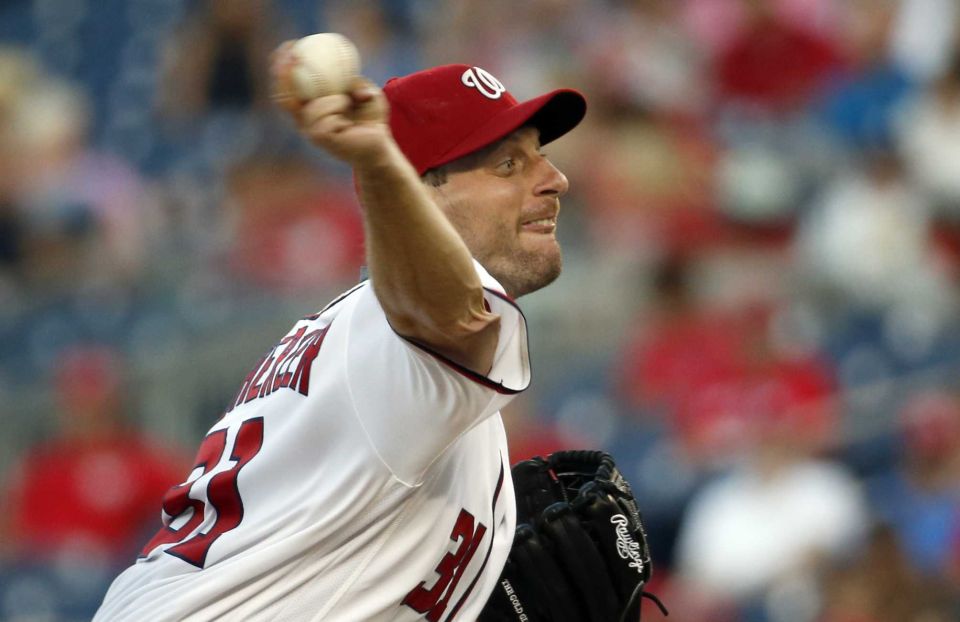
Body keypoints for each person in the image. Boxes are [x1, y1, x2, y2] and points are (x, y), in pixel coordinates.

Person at [94, 44, 586, 620]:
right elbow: (449, 315)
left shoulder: (362, 337)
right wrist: (379, 163)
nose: (555, 179)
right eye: (508, 164)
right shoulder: (409, 334)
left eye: (540, 156)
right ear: (422, 193)